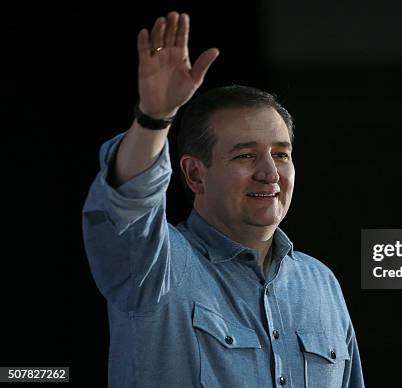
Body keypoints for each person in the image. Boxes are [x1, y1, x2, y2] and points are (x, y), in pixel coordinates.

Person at [82, 11, 365, 388]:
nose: (269, 172)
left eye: (281, 154)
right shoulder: (156, 267)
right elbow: (129, 202)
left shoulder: (321, 283)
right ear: (195, 174)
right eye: (245, 155)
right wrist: (155, 117)